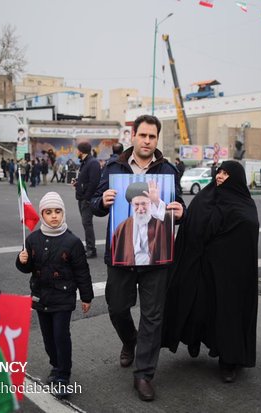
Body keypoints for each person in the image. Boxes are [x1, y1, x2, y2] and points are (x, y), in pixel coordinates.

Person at [91, 114, 185, 402]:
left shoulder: (168, 169)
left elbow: (178, 203)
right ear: (133, 136)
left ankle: (144, 374)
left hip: (158, 259)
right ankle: (130, 341)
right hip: (121, 257)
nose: (147, 141)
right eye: (142, 135)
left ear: (157, 139)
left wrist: (180, 211)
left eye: (152, 137)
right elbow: (94, 204)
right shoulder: (114, 166)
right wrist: (102, 202)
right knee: (117, 307)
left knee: (152, 316)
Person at [162, 160, 259, 384]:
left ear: (236, 178)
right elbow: (190, 226)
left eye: (226, 173)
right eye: (220, 172)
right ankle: (193, 339)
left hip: (229, 276)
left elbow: (246, 235)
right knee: (196, 306)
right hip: (200, 267)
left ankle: (228, 359)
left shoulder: (245, 206)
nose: (220, 176)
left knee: (227, 314)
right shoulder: (204, 198)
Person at [16, 192, 93, 398]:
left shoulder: (72, 241)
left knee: (60, 336)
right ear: (42, 214)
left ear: (63, 213)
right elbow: (27, 268)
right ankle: (55, 365)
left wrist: (86, 296)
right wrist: (21, 260)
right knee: (48, 338)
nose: (54, 216)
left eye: (57, 211)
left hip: (63, 299)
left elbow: (82, 271)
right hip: (41, 298)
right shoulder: (32, 239)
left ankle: (63, 376)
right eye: (48, 212)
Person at [111, 181, 173, 266]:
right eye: (136, 204)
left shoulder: (160, 221)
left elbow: (168, 217)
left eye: (144, 204)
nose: (140, 208)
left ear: (151, 203)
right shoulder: (123, 226)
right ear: (131, 204)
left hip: (154, 270)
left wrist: (156, 201)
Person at [75, 142, 101, 258]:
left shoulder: (93, 162)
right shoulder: (85, 162)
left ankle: (91, 249)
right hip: (82, 198)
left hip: (87, 199)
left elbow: (94, 182)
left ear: (81, 151)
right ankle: (89, 247)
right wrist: (77, 183)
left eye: (77, 150)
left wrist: (87, 198)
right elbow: (86, 180)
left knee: (87, 223)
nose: (76, 152)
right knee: (85, 224)